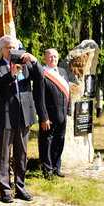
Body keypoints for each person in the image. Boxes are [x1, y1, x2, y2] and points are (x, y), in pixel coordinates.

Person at [0, 35, 45, 203]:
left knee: (21, 154)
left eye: (15, 47)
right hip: (5, 116)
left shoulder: (25, 66)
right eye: (9, 47)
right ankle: (5, 189)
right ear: (2, 49)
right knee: (4, 155)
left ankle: (20, 187)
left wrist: (34, 60)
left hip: (23, 116)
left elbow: (40, 77)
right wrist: (10, 75)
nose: (12, 50)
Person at [37, 48, 69, 179]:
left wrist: (68, 110)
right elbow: (39, 97)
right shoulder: (42, 74)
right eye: (50, 57)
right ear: (45, 58)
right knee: (47, 142)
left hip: (62, 115)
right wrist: (43, 117)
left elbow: (68, 92)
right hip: (49, 116)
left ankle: (56, 167)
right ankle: (47, 169)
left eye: (55, 57)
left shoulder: (62, 72)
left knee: (59, 141)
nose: (53, 59)